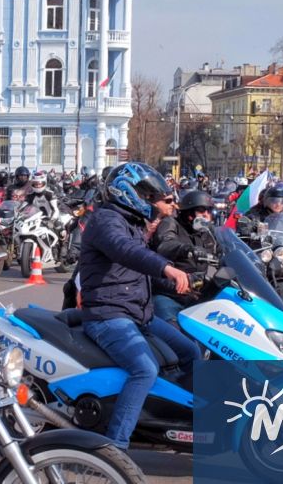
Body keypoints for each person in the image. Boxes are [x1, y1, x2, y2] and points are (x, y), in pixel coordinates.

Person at [77, 162, 197, 449]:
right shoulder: (106, 220)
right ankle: (114, 446)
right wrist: (167, 268)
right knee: (145, 369)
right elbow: (125, 251)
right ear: (129, 194)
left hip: (137, 313)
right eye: (149, 197)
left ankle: (167, 415)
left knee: (191, 352)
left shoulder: (131, 222)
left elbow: (138, 275)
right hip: (108, 315)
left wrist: (191, 283)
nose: (154, 204)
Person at [151, 190, 218, 326]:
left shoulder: (208, 233)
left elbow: (221, 255)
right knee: (174, 333)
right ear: (188, 212)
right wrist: (187, 249)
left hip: (198, 296)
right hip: (170, 294)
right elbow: (166, 244)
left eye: (209, 211)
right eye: (201, 210)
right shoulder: (171, 223)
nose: (206, 214)